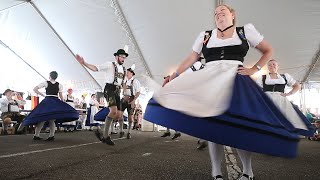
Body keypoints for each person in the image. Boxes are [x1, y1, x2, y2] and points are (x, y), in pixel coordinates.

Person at [143, 4, 309, 180]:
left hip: (236, 80)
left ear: (233, 15)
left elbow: (268, 50)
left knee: (239, 127)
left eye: (223, 11)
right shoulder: (205, 35)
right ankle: (216, 172)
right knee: (213, 127)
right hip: (209, 80)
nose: (218, 14)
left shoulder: (245, 31)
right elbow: (192, 57)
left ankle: (247, 171)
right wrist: (175, 75)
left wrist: (254, 69)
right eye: (216, 13)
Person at [76, 49, 127, 145]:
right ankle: (106, 135)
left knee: (119, 115)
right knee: (113, 111)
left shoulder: (124, 69)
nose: (123, 58)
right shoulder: (109, 65)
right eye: (121, 56)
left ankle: (104, 132)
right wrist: (84, 63)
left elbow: (123, 83)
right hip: (109, 89)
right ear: (116, 57)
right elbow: (96, 68)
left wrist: (125, 91)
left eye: (124, 57)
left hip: (117, 91)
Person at [256, 59, 314, 136]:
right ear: (267, 67)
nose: (271, 66)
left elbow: (297, 86)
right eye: (269, 65)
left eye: (274, 64)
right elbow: (256, 89)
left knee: (287, 118)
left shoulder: (285, 76)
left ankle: (282, 136)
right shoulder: (262, 77)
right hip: (267, 101)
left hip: (281, 100)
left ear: (278, 66)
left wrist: (289, 93)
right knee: (267, 118)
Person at [21, 71, 79, 141]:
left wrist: (42, 95)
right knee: (52, 119)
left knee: (42, 118)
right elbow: (61, 97)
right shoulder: (59, 85)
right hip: (55, 101)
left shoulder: (46, 83)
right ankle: (51, 136)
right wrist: (63, 104)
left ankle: (36, 135)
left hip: (47, 101)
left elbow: (35, 89)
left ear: (50, 76)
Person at [118, 65, 141, 139]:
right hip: (124, 99)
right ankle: (121, 130)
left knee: (130, 118)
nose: (127, 74)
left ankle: (129, 132)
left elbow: (138, 92)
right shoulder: (124, 80)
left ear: (132, 74)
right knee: (120, 115)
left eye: (128, 73)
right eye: (127, 72)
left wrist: (134, 100)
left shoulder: (135, 81)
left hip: (131, 99)